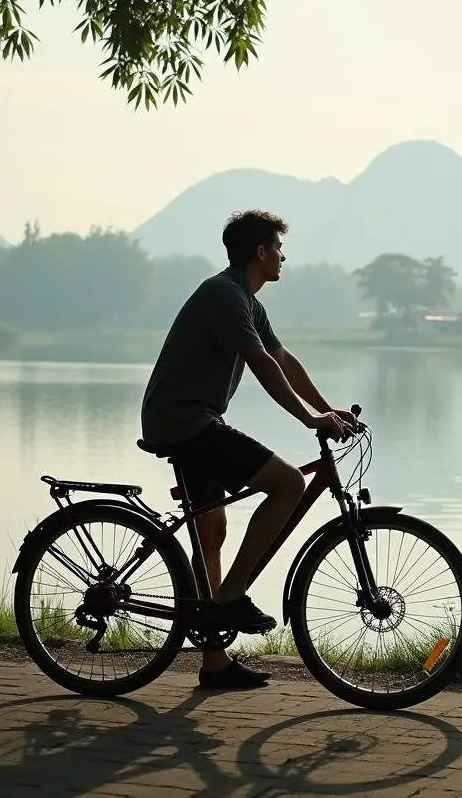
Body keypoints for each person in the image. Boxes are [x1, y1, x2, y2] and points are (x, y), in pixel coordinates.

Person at [139, 209, 355, 690]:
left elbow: (282, 358)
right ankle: (230, 598)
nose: (284, 257)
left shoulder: (247, 302)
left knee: (210, 530)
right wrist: (308, 419)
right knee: (288, 482)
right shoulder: (224, 295)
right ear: (261, 252)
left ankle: (214, 663)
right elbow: (260, 364)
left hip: (195, 421)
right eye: (279, 248)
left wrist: (327, 409)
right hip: (185, 422)